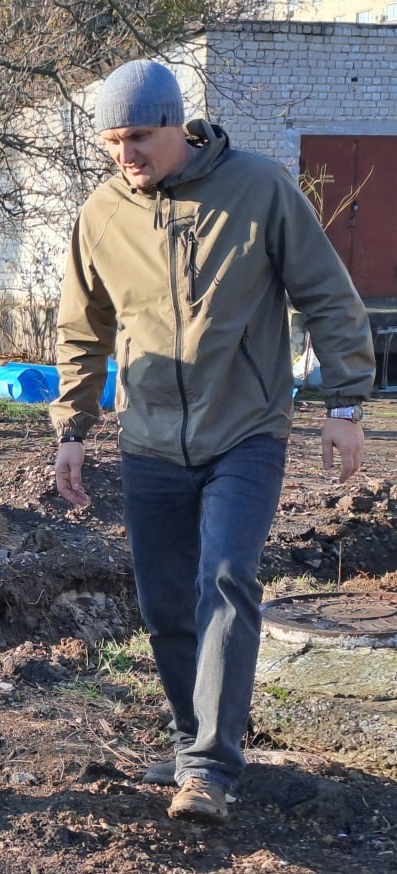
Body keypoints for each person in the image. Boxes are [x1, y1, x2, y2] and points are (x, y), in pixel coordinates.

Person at [50, 60, 376, 824]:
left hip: (246, 428)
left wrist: (345, 403)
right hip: (149, 437)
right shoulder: (101, 214)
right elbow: (81, 327)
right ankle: (189, 736)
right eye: (112, 142)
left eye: (139, 136)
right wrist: (71, 427)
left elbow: (328, 295)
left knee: (225, 578)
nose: (126, 154)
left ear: (177, 125)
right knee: (165, 601)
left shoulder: (258, 188)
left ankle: (209, 767)